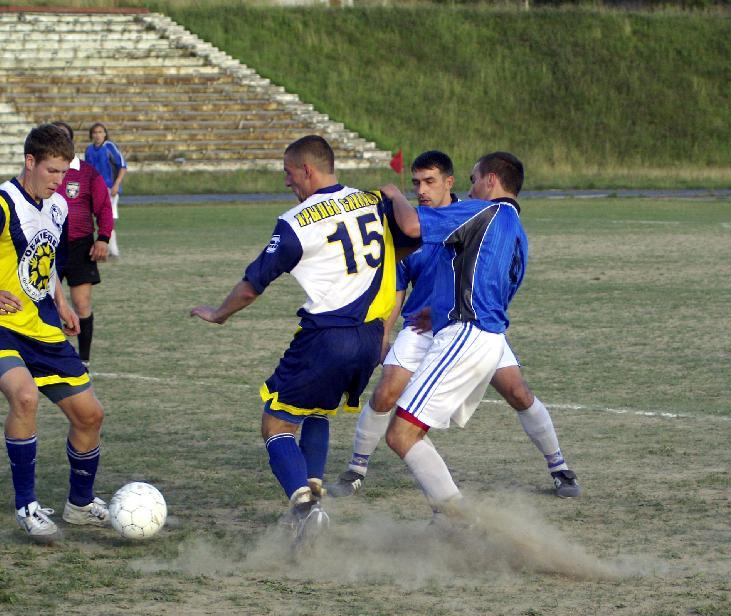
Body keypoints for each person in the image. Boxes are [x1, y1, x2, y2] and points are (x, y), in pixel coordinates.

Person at [190, 135, 419, 545]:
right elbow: (409, 239)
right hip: (369, 338)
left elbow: (252, 284)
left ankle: (303, 504)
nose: (286, 182)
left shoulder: (296, 221)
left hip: (326, 338)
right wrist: (394, 195)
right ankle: (313, 501)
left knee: (275, 423)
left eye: (288, 172)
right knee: (317, 413)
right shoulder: (374, 202)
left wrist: (219, 313)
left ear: (307, 170)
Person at [329, 151, 580, 499]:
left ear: (451, 182)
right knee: (386, 393)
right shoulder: (501, 222)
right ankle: (356, 469)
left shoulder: (471, 215)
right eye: (415, 183)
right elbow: (399, 290)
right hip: (427, 327)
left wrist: (394, 195)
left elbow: (493, 280)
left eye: (429, 181)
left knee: (517, 393)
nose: (421, 189)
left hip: (468, 328)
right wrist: (385, 336)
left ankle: (558, 467)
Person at [0, 124, 110, 543]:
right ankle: (27, 505)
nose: (61, 181)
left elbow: (47, 263)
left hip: (40, 326)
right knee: (23, 395)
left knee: (90, 415)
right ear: (30, 162)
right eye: (53, 172)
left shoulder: (56, 206)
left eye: (65, 172)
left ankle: (79, 504)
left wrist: (61, 304)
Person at [377, 151, 528, 518]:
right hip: (487, 339)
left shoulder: (483, 210)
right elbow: (501, 286)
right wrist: (444, 308)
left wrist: (395, 194)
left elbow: (412, 227)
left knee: (401, 434)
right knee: (410, 429)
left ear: (491, 180)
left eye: (475, 179)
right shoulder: (517, 231)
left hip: (467, 337)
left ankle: (458, 520)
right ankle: (449, 517)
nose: (471, 187)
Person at [52, 122, 114, 366]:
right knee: (44, 304)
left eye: (62, 138)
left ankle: (84, 362)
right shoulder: (40, 172)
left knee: (81, 303)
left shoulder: (87, 172)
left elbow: (104, 207)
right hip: (48, 247)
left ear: (71, 142)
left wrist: (103, 237)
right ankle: (45, 355)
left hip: (79, 246)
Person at [84, 122, 126, 257]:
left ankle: (112, 250)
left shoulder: (109, 147)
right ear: (91, 135)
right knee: (94, 218)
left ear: (105, 134)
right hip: (94, 189)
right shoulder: (89, 149)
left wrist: (117, 184)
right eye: (95, 132)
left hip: (109, 188)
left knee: (108, 218)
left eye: (100, 132)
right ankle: (100, 248)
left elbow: (122, 166)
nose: (98, 135)